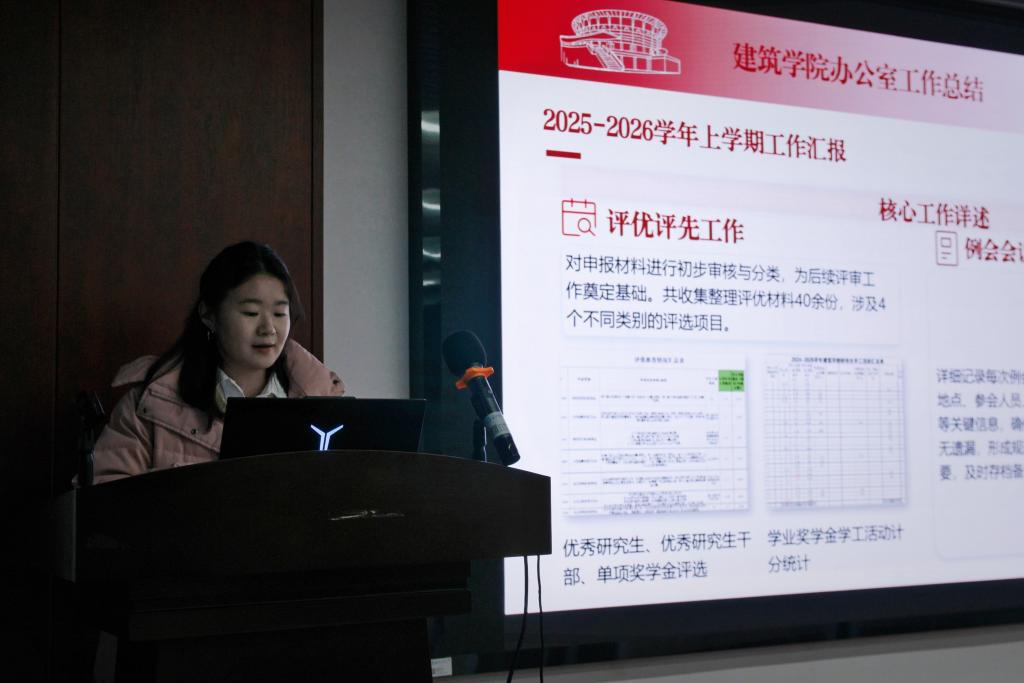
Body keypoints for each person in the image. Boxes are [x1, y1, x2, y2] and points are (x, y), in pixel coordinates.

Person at [89, 241, 345, 484]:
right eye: (251, 313)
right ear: (209, 315)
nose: (269, 329)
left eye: (279, 313)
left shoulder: (325, 404)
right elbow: (101, 498)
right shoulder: (149, 404)